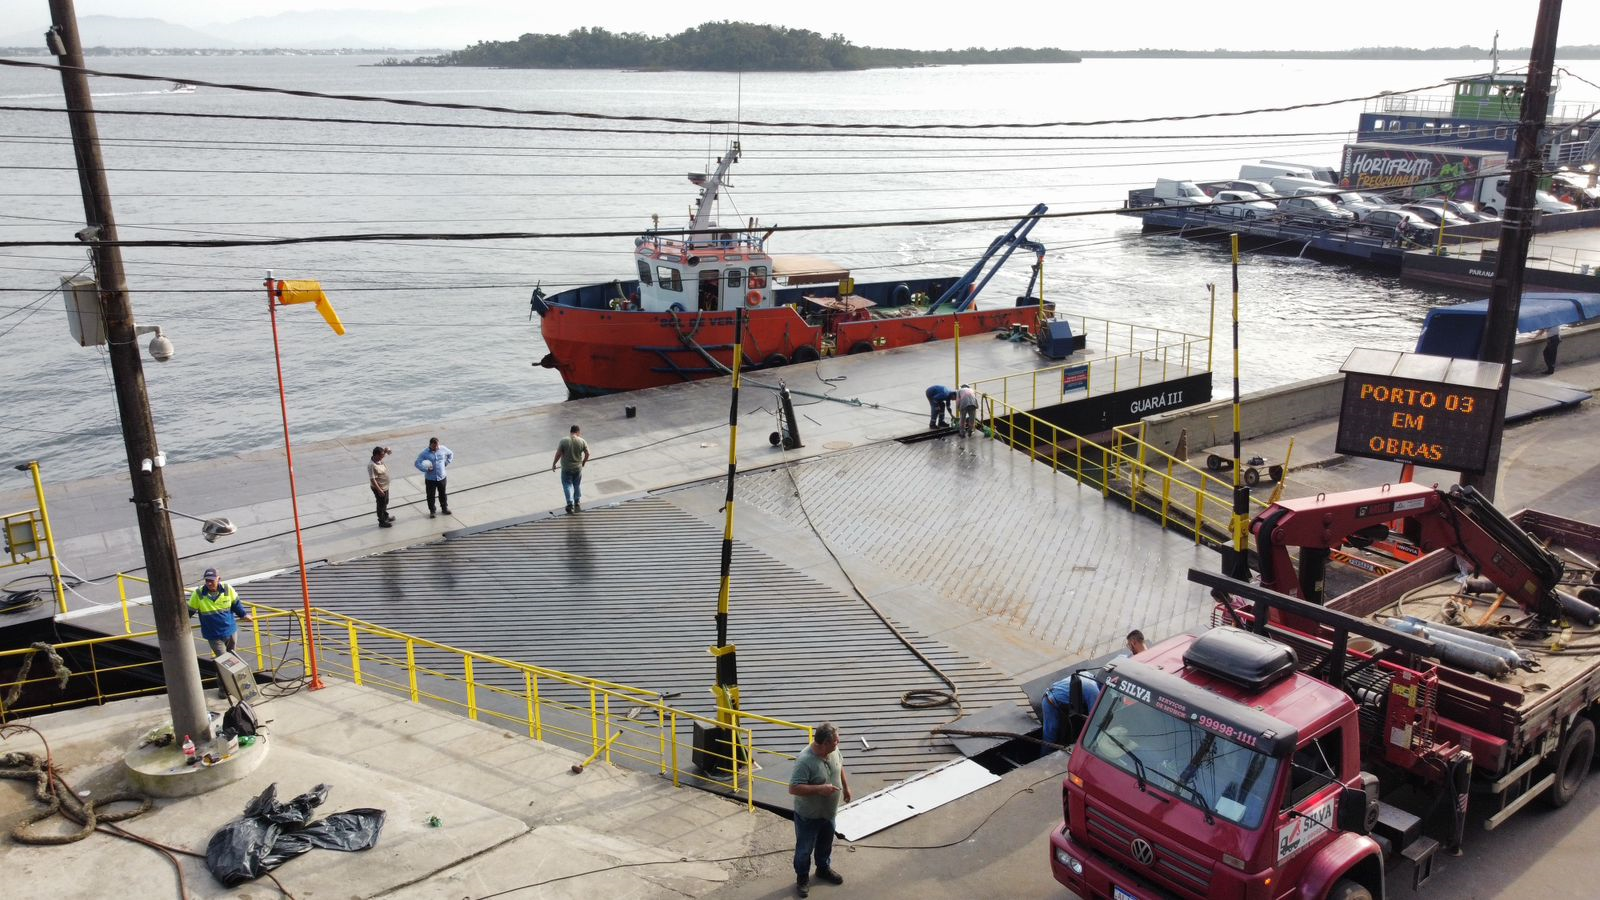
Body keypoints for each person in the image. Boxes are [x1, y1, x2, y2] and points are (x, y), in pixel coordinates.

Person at [788, 722, 851, 898]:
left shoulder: (833, 751)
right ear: (824, 743)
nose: (838, 743)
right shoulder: (805, 760)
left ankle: (823, 869)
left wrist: (846, 788)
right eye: (835, 742)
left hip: (829, 812)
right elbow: (793, 788)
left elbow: (840, 766)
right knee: (804, 849)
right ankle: (802, 878)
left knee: (825, 844)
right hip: (809, 815)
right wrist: (819, 789)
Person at [188, 568, 250, 696]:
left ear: (218, 579)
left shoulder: (228, 589)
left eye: (211, 580)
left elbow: (236, 604)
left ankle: (237, 687)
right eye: (207, 581)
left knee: (232, 659)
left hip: (231, 631)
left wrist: (244, 614)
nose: (209, 583)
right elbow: (189, 612)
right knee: (224, 662)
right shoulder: (198, 594)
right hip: (214, 636)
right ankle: (224, 690)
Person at [551, 424, 591, 514]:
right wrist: (584, 462)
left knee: (567, 485)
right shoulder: (582, 441)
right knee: (577, 484)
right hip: (578, 468)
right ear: (578, 432)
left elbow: (558, 454)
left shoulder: (564, 441)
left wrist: (554, 464)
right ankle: (577, 501)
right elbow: (588, 453)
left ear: (570, 432)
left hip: (566, 468)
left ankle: (570, 503)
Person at [415, 437, 453, 518]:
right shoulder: (424, 453)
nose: (436, 448)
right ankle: (432, 511)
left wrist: (446, 462)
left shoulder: (442, 448)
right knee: (430, 495)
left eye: (437, 446)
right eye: (434, 446)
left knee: (443, 494)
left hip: (442, 477)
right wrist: (426, 469)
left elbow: (450, 454)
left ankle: (444, 508)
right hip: (430, 479)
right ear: (430, 445)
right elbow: (417, 463)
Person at [368, 445, 395, 528]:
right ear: (376, 455)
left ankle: (385, 516)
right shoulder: (372, 465)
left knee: (385, 502)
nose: (383, 457)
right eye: (381, 455)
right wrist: (379, 490)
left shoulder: (378, 459)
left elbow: (386, 451)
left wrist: (387, 450)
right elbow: (373, 479)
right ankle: (382, 521)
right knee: (381, 504)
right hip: (379, 488)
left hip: (385, 486)